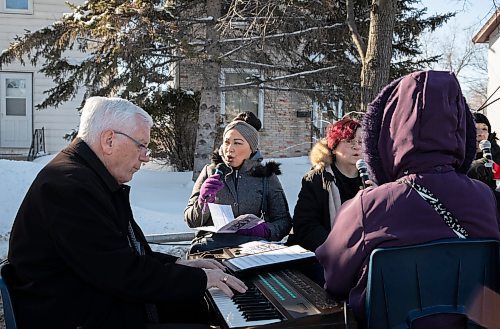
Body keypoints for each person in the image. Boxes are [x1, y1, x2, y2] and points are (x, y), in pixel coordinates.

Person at [5, 96, 247, 329]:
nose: (145, 156)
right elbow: (121, 273)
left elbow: (128, 254)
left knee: (201, 309)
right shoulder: (69, 187)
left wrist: (181, 264)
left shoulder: (89, 178)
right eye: (141, 145)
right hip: (74, 317)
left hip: (95, 306)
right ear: (109, 140)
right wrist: (202, 280)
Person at [315, 70, 500, 328]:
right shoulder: (485, 197)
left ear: (388, 131)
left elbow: (334, 280)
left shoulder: (368, 205)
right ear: (461, 129)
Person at [184, 115, 292, 253]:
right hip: (212, 249)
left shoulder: (266, 176)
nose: (230, 148)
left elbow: (283, 222)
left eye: (237, 143)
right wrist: (202, 203)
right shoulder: (209, 172)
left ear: (251, 148)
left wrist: (265, 230)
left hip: (252, 251)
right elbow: (190, 220)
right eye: (226, 142)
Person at [291, 118, 363, 253]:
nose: (357, 146)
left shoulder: (373, 179)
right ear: (334, 147)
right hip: (327, 255)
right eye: (349, 141)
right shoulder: (317, 180)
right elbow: (305, 226)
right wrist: (337, 247)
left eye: (360, 141)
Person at [467, 112, 500, 209]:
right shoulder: (455, 155)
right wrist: (475, 168)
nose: (480, 133)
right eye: (475, 128)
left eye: (484, 129)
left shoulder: (498, 156)